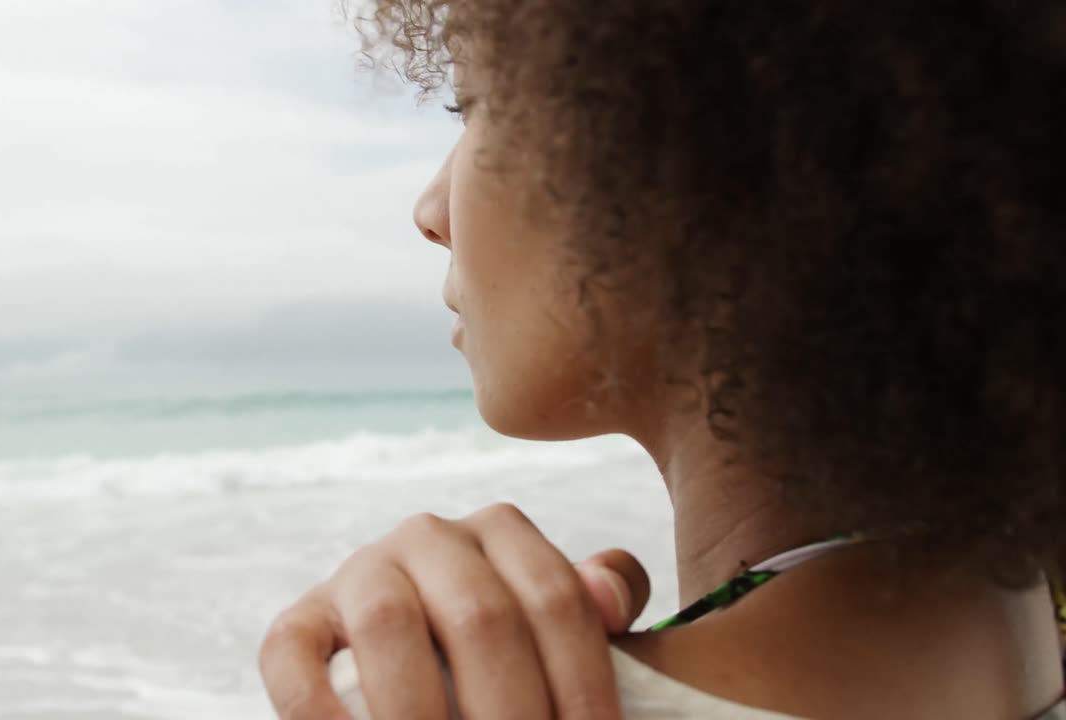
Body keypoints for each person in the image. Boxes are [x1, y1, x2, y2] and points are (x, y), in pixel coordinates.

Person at [260, 2, 1066, 717]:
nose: (430, 210)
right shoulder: (1027, 609)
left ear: (690, 155)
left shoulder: (442, 703)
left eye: (469, 104)